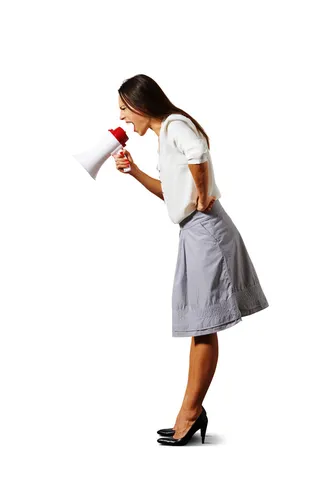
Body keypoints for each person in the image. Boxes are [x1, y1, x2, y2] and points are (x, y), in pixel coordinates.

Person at [113, 74, 268, 446]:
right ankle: (191, 411)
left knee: (203, 324)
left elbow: (198, 154)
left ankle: (190, 412)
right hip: (193, 231)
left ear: (140, 104)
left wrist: (202, 195)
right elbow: (169, 192)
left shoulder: (174, 126)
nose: (122, 118)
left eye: (123, 109)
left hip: (205, 230)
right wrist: (134, 172)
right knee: (201, 323)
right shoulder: (166, 135)